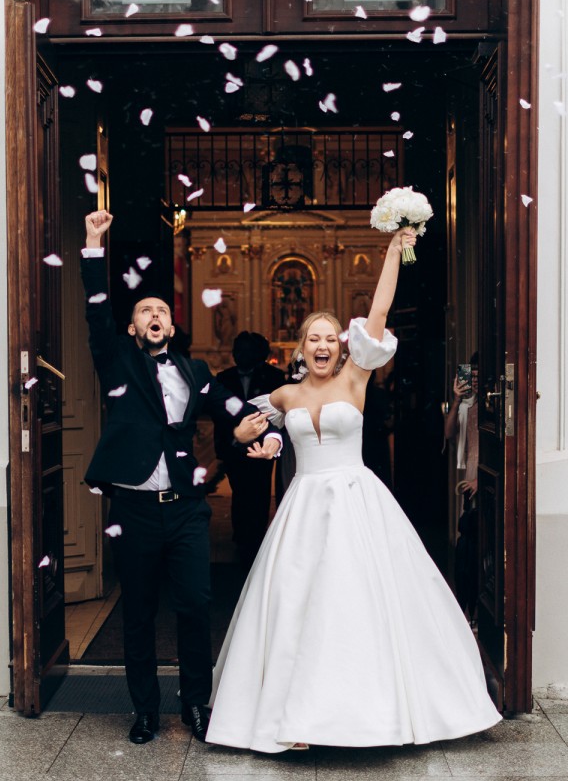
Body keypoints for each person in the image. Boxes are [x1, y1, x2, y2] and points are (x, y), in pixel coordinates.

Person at [206, 228, 501, 753]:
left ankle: (375, 713)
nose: (322, 346)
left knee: (359, 602)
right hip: (303, 506)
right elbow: (258, 430)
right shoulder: (285, 394)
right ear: (301, 349)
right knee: (298, 607)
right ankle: (293, 717)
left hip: (356, 499)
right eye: (313, 339)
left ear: (340, 345)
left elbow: (380, 310)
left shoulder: (355, 379)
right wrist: (262, 442)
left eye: (330, 338)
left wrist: (393, 252)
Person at [80, 210, 281, 746]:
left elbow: (233, 407)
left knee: (194, 606)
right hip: (135, 511)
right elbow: (97, 310)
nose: (155, 316)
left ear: (172, 327)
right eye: (145, 310)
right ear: (133, 328)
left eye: (162, 311)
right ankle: (145, 710)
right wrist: (94, 244)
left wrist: (266, 434)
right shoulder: (118, 362)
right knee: (139, 613)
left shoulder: (194, 371)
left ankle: (195, 703)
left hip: (188, 509)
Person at [214, 332, 286, 571]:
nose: (240, 355)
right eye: (238, 349)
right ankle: (240, 535)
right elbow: (219, 415)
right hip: (233, 445)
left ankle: (256, 536)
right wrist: (230, 441)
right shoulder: (223, 378)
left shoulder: (275, 377)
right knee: (239, 491)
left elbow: (279, 414)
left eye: (246, 350)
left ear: (259, 353)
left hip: (263, 445)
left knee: (260, 491)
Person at [444, 353, 480, 620]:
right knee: (466, 544)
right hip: (468, 481)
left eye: (478, 376)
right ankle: (467, 608)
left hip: (481, 482)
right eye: (471, 375)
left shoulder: (490, 404)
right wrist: (456, 400)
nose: (474, 381)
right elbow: (448, 433)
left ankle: (477, 612)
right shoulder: (466, 404)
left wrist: (481, 480)